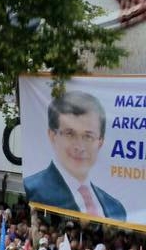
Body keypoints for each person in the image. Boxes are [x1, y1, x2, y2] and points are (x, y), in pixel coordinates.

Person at [24, 91, 126, 220]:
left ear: (100, 142)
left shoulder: (116, 208)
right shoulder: (32, 190)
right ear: (52, 135)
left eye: (88, 136)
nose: (79, 146)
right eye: (70, 134)